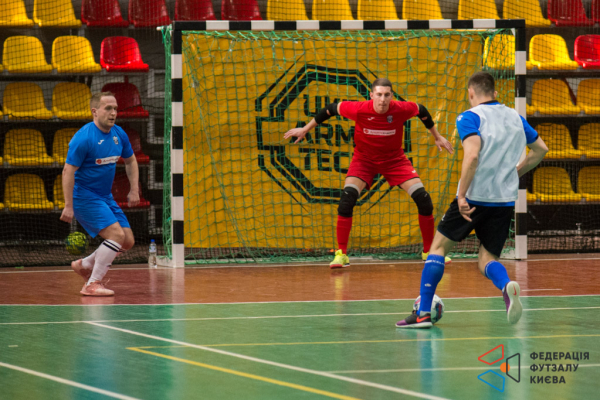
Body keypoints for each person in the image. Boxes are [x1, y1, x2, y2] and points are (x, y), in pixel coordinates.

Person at [396, 71, 548, 328]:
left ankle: (422, 313)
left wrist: (461, 195)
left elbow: (472, 155)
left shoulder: (470, 117)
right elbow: (541, 149)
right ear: (495, 92)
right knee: (487, 259)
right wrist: (516, 172)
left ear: (471, 93)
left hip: (474, 197)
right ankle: (506, 285)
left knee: (438, 248)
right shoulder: (516, 117)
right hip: (504, 200)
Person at [284, 78, 454, 268]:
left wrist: (437, 136)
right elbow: (330, 109)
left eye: (387, 95)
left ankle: (428, 252)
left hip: (394, 160)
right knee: (347, 199)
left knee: (424, 199)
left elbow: (421, 111)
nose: (383, 99)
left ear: (392, 96)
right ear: (371, 95)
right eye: (379, 94)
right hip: (364, 160)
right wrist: (305, 129)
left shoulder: (401, 108)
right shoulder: (359, 109)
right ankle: (341, 254)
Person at [60, 92, 140, 296]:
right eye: (108, 108)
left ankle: (85, 264)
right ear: (94, 112)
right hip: (84, 197)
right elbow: (68, 171)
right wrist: (68, 205)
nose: (113, 113)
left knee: (127, 241)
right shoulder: (84, 138)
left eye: (115, 109)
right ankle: (92, 284)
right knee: (116, 235)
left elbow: (131, 160)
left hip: (105, 196)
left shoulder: (119, 134)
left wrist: (134, 189)